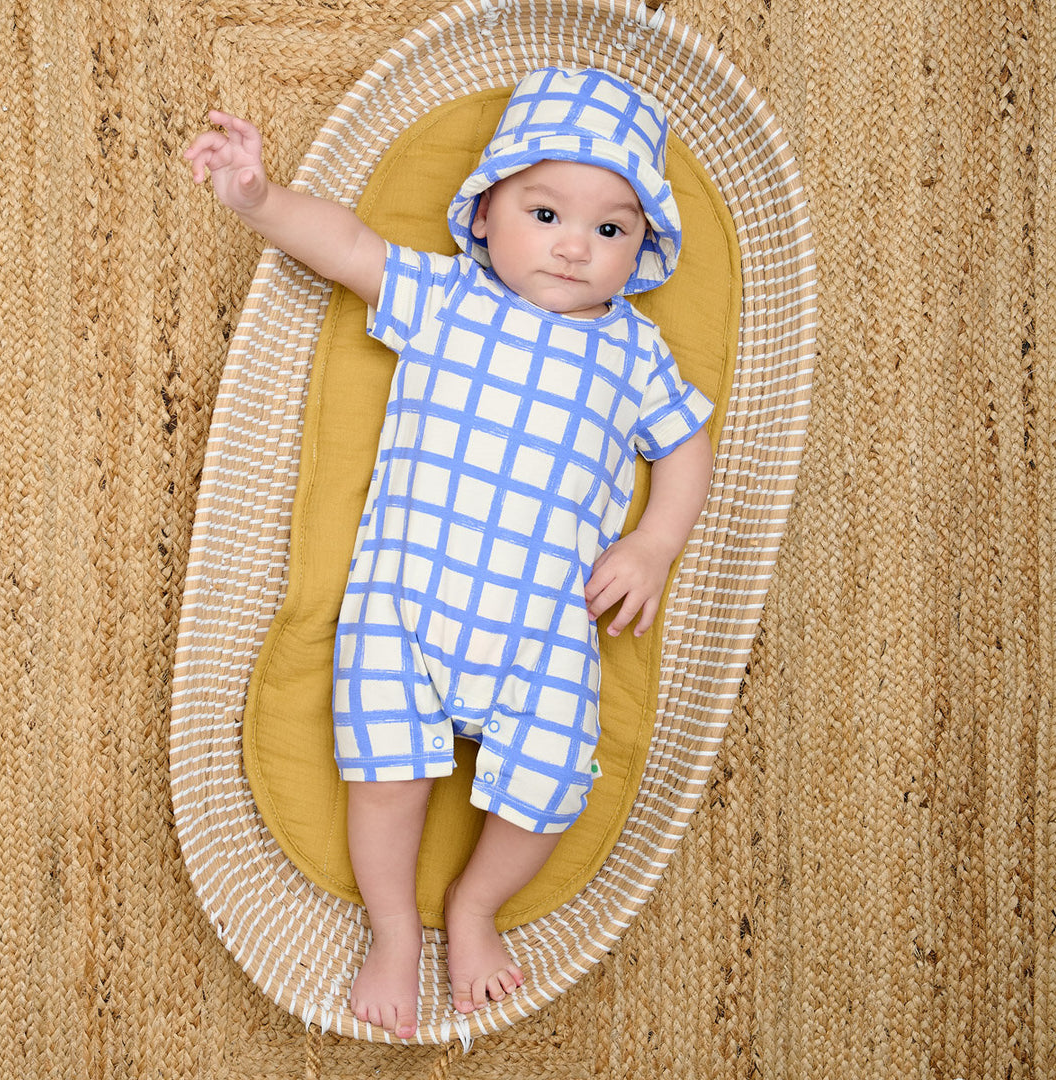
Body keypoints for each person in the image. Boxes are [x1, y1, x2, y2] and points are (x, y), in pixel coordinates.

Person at [185, 66, 714, 1040]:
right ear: (484, 214)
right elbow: (348, 246)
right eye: (546, 213)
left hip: (546, 631)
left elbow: (684, 445)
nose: (574, 246)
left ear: (642, 249)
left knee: (551, 784)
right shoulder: (450, 297)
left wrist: (654, 543)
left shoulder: (635, 352)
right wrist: (259, 199)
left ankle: (474, 908)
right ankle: (392, 927)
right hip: (408, 607)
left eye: (610, 230)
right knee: (385, 774)